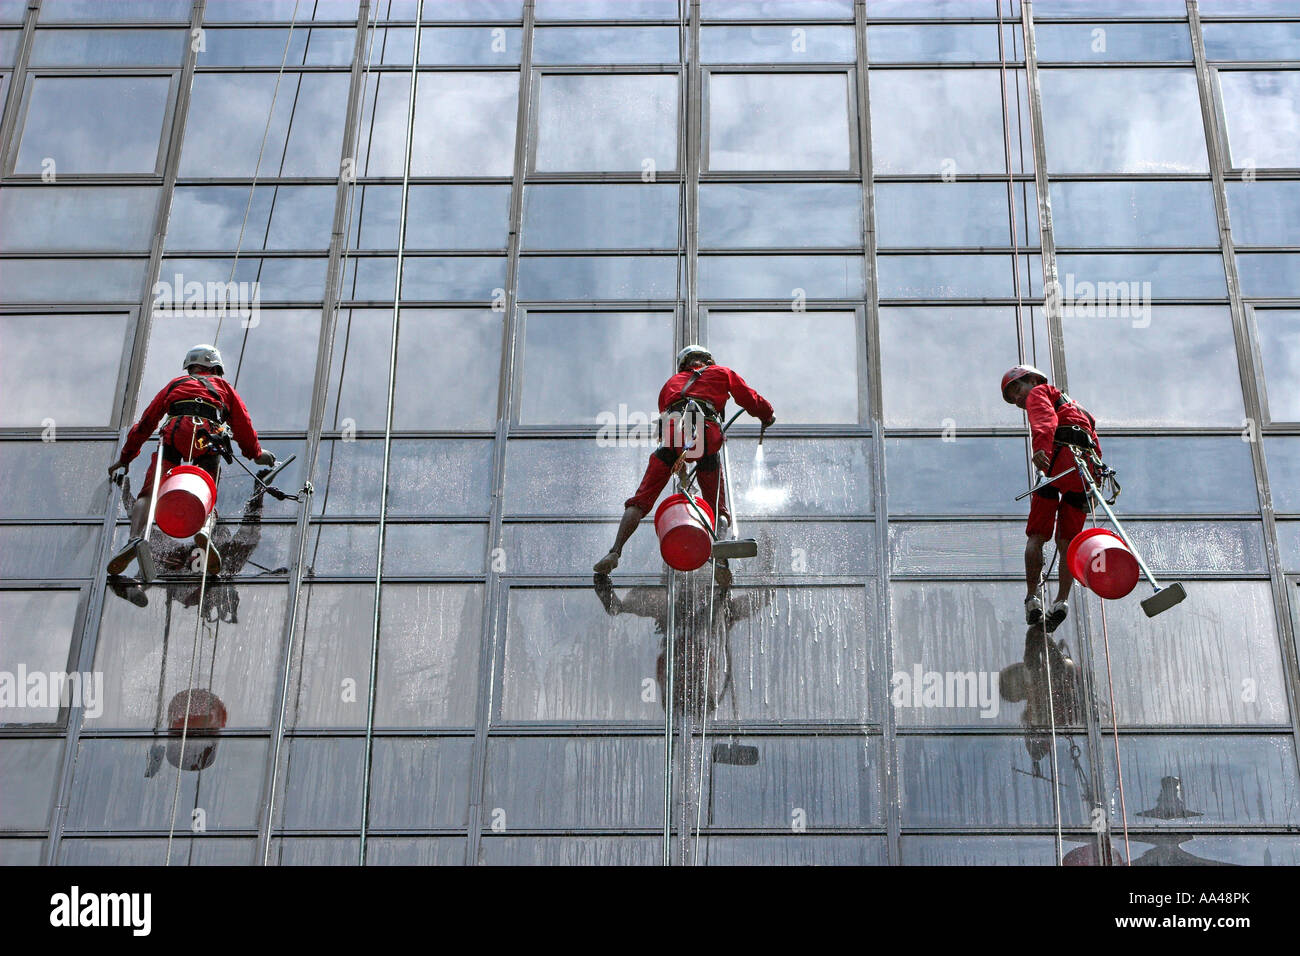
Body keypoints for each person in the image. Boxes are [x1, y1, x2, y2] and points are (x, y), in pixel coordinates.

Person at [593, 344, 775, 582]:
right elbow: (748, 397)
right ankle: (720, 557)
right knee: (717, 505)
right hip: (706, 435)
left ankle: (615, 551)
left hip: (673, 438)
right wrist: (767, 414)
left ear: (683, 364)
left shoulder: (669, 384)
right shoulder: (721, 373)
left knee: (640, 500)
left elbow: (663, 418)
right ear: (707, 360)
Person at [107, 344, 274, 577]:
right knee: (207, 490)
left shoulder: (175, 385)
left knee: (150, 492)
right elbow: (243, 425)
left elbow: (146, 423)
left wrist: (126, 457)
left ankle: (136, 537)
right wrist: (256, 454)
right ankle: (205, 530)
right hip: (208, 437)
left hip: (175, 434)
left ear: (190, 367)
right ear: (215, 367)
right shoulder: (224, 387)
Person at [1001, 364, 1103, 633]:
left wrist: (1040, 452)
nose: (1018, 398)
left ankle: (1032, 596)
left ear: (1033, 379)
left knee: (1036, 536)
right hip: (1081, 473)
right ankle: (1061, 602)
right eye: (1013, 398)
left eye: (1017, 389)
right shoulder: (1078, 408)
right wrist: (1095, 486)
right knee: (1068, 541)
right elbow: (1094, 442)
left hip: (1056, 463)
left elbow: (1045, 421)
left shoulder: (1039, 392)